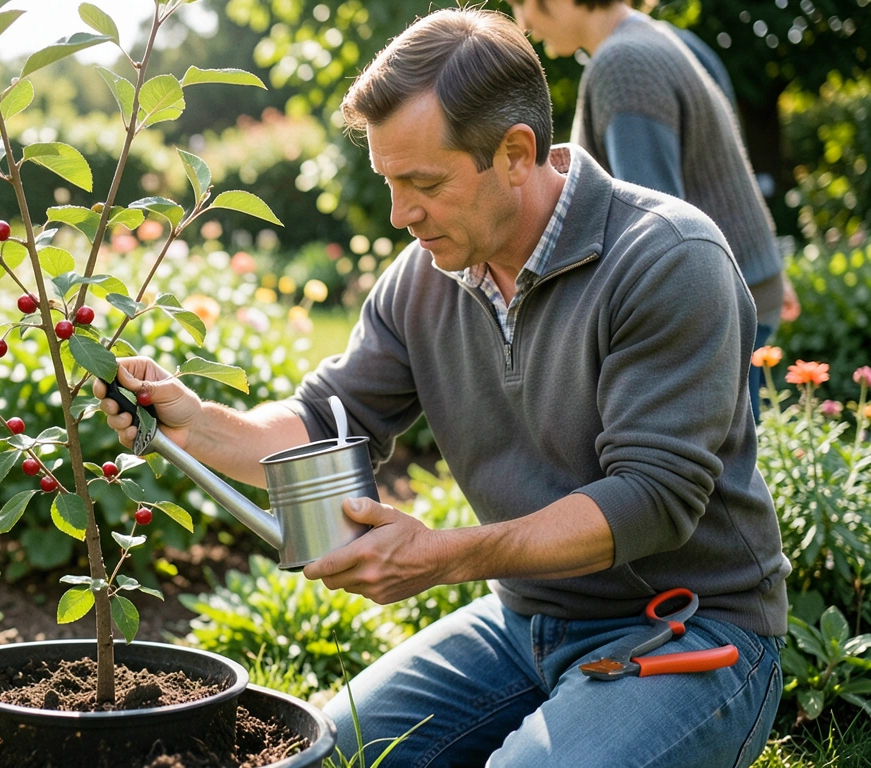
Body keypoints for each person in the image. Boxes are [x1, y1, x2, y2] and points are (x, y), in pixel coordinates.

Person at [94, 8, 789, 766]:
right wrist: (195, 423)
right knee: (327, 754)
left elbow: (654, 498)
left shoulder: (665, 257)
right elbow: (327, 421)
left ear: (516, 154)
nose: (400, 215)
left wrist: (447, 555)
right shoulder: (425, 279)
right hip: (527, 620)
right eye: (389, 181)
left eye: (424, 182)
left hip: (693, 628)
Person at [509, 0, 801, 420]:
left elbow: (656, 229)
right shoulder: (659, 38)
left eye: (521, 4)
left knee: (708, 477)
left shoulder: (622, 65)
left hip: (713, 309)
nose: (525, 23)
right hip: (744, 287)